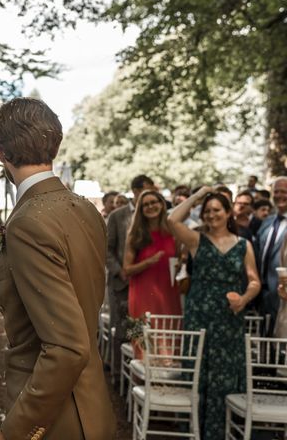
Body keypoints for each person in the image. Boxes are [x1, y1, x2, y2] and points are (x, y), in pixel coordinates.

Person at [0, 97, 115, 440]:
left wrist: (13, 431)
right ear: (53, 147)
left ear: (1, 151)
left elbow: (66, 347)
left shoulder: (28, 222)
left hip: (56, 418)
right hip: (91, 403)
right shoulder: (85, 209)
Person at [168, 187, 260, 439]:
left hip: (229, 317)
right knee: (198, 372)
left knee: (224, 375)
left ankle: (220, 432)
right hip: (199, 315)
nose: (210, 215)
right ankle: (195, 431)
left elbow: (254, 281)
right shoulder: (197, 240)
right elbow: (171, 219)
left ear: (228, 212)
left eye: (216, 209)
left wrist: (244, 298)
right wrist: (200, 195)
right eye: (206, 211)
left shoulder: (243, 245)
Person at [106, 174, 154, 380]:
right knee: (122, 330)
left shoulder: (152, 215)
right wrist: (120, 270)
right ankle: (118, 375)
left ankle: (138, 376)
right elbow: (106, 249)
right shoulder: (117, 216)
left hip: (146, 284)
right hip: (121, 283)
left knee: (142, 331)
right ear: (135, 191)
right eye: (147, 190)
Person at [123, 190, 181, 357]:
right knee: (145, 344)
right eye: (145, 205)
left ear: (162, 204)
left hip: (168, 292)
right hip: (142, 294)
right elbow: (126, 269)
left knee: (169, 339)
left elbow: (177, 260)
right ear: (140, 210)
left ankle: (166, 381)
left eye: (153, 202)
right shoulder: (135, 234)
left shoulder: (172, 231)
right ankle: (141, 381)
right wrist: (148, 262)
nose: (150, 207)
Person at [255, 177, 287, 331]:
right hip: (263, 294)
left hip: (283, 295)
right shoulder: (267, 222)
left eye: (284, 192)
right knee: (264, 344)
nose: (280, 195)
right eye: (277, 191)